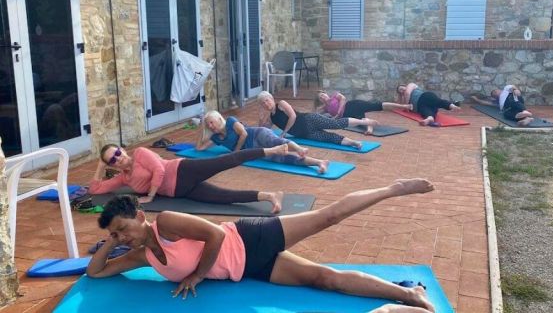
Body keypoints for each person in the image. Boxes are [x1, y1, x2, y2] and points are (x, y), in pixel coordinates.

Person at [86, 179, 436, 312]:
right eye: (117, 234)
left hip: (250, 237)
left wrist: (196, 276)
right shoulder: (141, 256)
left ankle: (392, 189)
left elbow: (217, 235)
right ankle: (410, 295)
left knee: (328, 218)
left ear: (140, 215)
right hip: (249, 269)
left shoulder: (166, 222)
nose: (123, 236)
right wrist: (107, 241)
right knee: (324, 278)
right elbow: (96, 273)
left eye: (123, 228)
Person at [89, 144, 288, 213]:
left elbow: (159, 170)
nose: (118, 159)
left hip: (183, 170)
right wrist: (100, 166)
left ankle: (272, 150)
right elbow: (96, 189)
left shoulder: (140, 153)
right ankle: (270, 196)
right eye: (112, 160)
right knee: (224, 197)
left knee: (226, 160)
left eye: (117, 153)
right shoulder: (125, 179)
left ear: (122, 149)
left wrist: (150, 196)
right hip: (180, 191)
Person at [197, 110, 330, 174]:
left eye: (211, 123)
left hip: (257, 135)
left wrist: (236, 152)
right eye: (208, 125)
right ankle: (319, 163)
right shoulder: (216, 138)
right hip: (255, 151)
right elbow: (200, 148)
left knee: (276, 141)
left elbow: (243, 134)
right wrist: (201, 129)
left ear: (219, 119)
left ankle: (300, 149)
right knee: (284, 159)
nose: (211, 126)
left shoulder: (231, 121)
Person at [257, 91, 378, 150]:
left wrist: (284, 133)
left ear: (272, 99)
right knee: (330, 138)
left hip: (309, 120)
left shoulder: (281, 104)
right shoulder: (271, 117)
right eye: (263, 103)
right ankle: (354, 143)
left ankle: (364, 122)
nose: (266, 104)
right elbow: (263, 130)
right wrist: (261, 117)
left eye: (267, 100)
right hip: (305, 134)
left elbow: (293, 116)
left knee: (335, 124)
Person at [314, 91, 412, 134]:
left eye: (323, 94)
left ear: (326, 93)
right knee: (361, 122)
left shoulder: (335, 95)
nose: (323, 97)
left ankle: (403, 106)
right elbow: (316, 113)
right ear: (320, 100)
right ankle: (370, 128)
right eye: (320, 97)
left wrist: (338, 113)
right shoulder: (325, 108)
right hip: (349, 115)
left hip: (353, 105)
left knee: (378, 105)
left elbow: (343, 99)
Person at [396, 83, 461, 127]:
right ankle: (429, 119)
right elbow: (399, 104)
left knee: (438, 101)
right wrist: (400, 96)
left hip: (424, 97)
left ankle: (452, 106)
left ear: (405, 85)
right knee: (426, 111)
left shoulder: (410, 85)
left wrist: (406, 106)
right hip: (420, 107)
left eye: (402, 88)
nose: (402, 91)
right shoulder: (404, 98)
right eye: (400, 91)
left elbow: (407, 93)